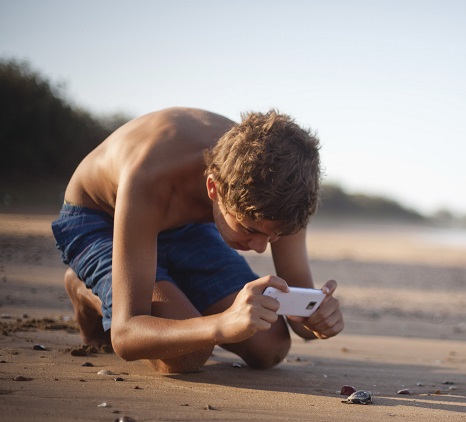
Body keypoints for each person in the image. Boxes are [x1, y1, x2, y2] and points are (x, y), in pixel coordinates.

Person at [51, 107, 344, 374]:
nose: (259, 248)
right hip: (103, 218)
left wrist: (316, 319)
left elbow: (299, 307)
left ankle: (179, 302)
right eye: (250, 230)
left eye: (274, 236)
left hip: (186, 224)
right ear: (213, 188)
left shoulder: (284, 193)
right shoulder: (152, 173)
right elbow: (127, 335)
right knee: (186, 356)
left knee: (270, 345)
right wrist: (220, 325)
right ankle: (84, 289)